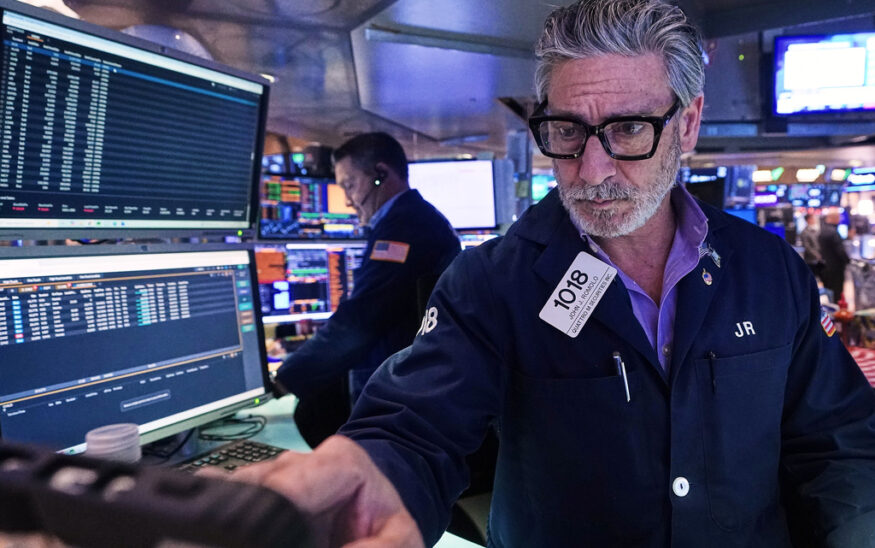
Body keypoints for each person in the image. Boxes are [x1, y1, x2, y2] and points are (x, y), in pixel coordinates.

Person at [228, 1, 875, 546]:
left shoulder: (768, 270)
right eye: (566, 129)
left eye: (626, 129)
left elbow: (837, 442)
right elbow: (417, 425)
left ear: (687, 124)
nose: (590, 170)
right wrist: (374, 469)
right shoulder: (492, 282)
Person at [273, 132, 460, 448]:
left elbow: (361, 320)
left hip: (402, 396)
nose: (347, 199)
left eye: (349, 185)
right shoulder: (411, 220)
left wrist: (284, 379)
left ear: (380, 175)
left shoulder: (404, 229)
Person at [818, 208, 851, 303]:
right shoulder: (833, 232)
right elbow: (840, 251)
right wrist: (848, 261)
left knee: (829, 292)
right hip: (836, 268)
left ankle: (832, 311)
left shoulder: (822, 230)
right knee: (837, 293)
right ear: (834, 217)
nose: (840, 219)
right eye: (839, 217)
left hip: (825, 267)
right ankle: (837, 313)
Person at [800, 212, 824, 279]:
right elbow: (807, 247)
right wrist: (817, 255)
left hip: (820, 260)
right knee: (812, 279)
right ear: (808, 220)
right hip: (810, 260)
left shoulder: (817, 230)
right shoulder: (804, 232)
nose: (815, 220)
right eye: (813, 218)